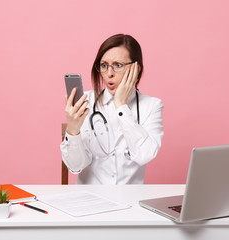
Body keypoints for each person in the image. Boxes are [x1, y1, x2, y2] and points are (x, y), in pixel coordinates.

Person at [60, 34, 164, 184]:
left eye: (118, 65)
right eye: (104, 65)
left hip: (131, 199)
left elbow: (144, 155)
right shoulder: (86, 102)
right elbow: (75, 166)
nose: (109, 73)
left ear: (137, 68)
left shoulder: (152, 106)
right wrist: (73, 130)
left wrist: (121, 105)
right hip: (90, 198)